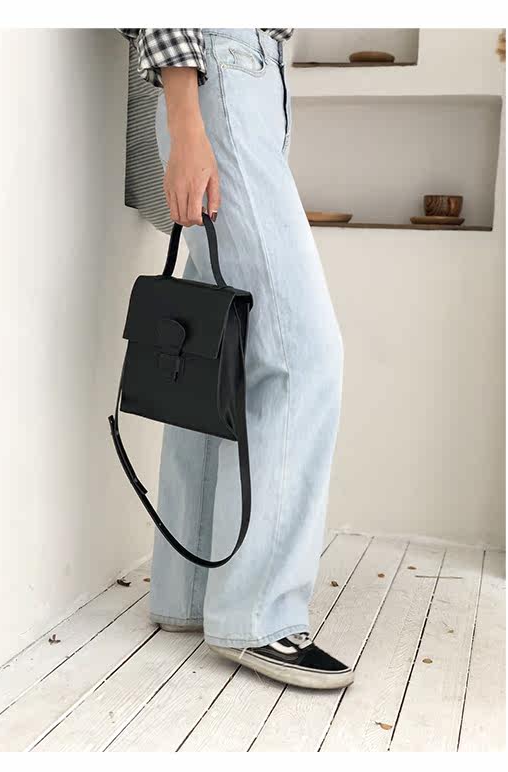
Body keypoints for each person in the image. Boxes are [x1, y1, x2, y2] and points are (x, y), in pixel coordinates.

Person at [118, 28, 352, 689]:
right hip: (221, 71)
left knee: (220, 343)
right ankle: (257, 616)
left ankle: (189, 592)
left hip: (253, 77)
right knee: (302, 354)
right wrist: (186, 123)